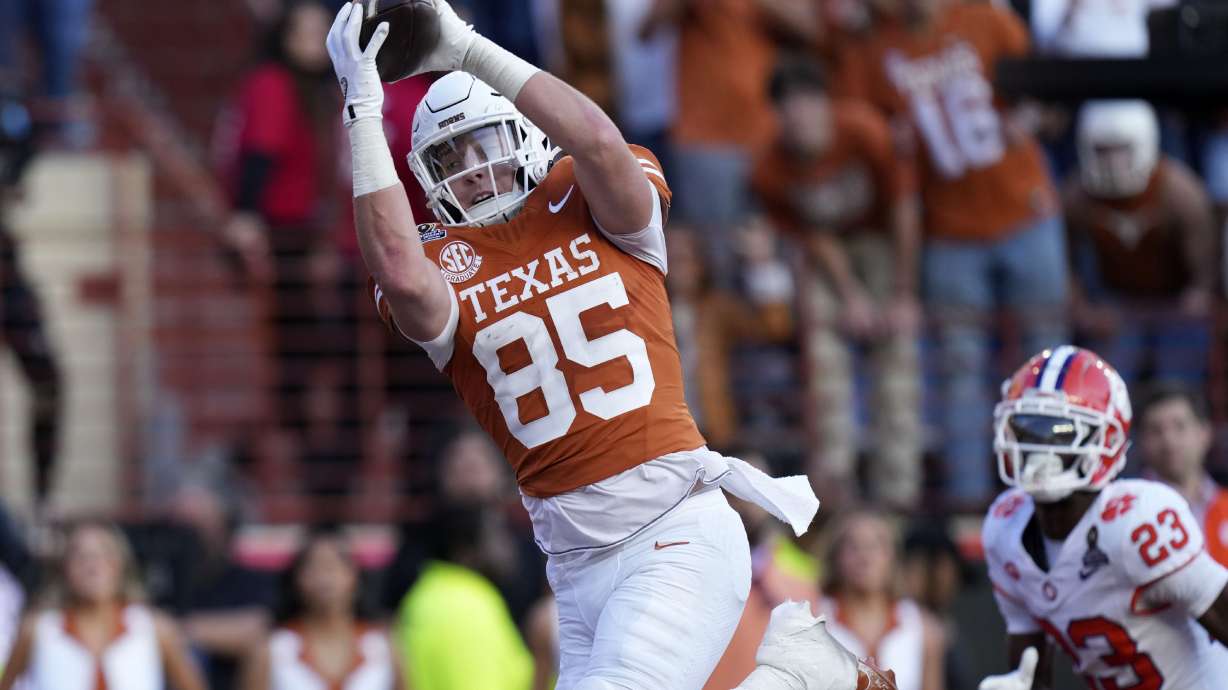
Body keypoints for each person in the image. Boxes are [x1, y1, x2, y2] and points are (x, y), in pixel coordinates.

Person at [325, 2, 896, 688]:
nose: (473, 170)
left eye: (484, 144)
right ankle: (804, 681)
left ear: (525, 135)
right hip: (574, 565)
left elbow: (597, 142)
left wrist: (470, 51)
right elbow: (395, 268)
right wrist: (362, 106)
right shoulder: (441, 260)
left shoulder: (582, 195)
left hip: (672, 531)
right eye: (451, 158)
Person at [843, 0, 1068, 504]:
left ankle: (1052, 493)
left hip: (1025, 212)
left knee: (1045, 360)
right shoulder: (875, 47)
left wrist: (1028, 117)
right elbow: (869, 139)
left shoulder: (987, 17)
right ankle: (969, 505)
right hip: (948, 233)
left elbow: (1047, 90)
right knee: (960, 372)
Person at [979, 345, 1228, 690]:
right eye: (1027, 430)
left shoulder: (1136, 521)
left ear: (1106, 438)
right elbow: (1031, 671)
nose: (1041, 450)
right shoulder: (1004, 528)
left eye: (1061, 432)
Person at [753, 59, 921, 508]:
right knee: (824, 358)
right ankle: (835, 489)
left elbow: (904, 206)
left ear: (826, 104)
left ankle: (899, 494)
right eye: (789, 111)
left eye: (808, 106)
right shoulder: (770, 167)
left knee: (898, 360)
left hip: (883, 242)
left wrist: (904, 294)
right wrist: (851, 297)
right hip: (827, 258)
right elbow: (812, 233)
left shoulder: (865, 131)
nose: (801, 119)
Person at [641, 0, 816, 284]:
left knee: (780, 252)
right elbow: (646, 31)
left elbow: (809, 27)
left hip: (767, 134)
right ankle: (725, 326)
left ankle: (778, 326)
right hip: (704, 140)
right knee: (715, 258)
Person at [1065, 100, 1215, 388]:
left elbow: (1204, 265)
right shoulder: (1077, 195)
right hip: (1118, 303)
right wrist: (1082, 305)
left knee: (1176, 383)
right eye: (1102, 151)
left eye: (1120, 150)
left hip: (1174, 304)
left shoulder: (1179, 192)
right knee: (1108, 380)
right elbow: (1062, 257)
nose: (1111, 162)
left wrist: (1198, 293)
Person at [0, 522, 207, 690]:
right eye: (81, 557)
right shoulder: (37, 630)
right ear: (64, 569)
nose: (93, 566)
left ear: (121, 564)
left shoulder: (155, 629)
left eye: (104, 554)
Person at [242, 530, 402, 690]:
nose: (325, 577)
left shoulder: (384, 649)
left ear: (355, 576)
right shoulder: (272, 651)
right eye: (314, 567)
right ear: (296, 579)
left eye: (334, 566)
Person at [820, 510, 946, 690]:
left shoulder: (924, 629)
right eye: (853, 546)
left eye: (876, 546)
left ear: (893, 556)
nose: (865, 557)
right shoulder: (813, 620)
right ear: (836, 556)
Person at [1138, 382, 1228, 567]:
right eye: (1156, 430)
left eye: (1179, 426)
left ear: (1205, 433)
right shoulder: (1132, 512)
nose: (1168, 441)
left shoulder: (1225, 504)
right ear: (1142, 442)